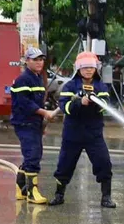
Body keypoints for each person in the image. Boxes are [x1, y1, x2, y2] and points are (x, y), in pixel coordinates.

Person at [49, 51, 116, 208]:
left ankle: (106, 197)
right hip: (73, 133)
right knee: (64, 164)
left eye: (91, 67)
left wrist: (95, 103)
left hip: (94, 133)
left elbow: (105, 106)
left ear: (96, 68)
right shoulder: (70, 86)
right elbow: (64, 106)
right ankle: (59, 194)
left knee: (104, 163)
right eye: (85, 67)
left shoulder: (101, 86)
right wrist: (79, 103)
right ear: (78, 68)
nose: (88, 70)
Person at [10, 47, 59, 204]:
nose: (39, 62)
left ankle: (21, 188)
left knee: (32, 155)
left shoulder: (37, 78)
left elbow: (37, 102)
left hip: (34, 123)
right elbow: (25, 103)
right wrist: (44, 113)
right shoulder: (23, 80)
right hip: (24, 123)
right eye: (35, 59)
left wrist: (43, 122)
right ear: (27, 61)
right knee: (33, 155)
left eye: (41, 59)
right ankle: (32, 192)